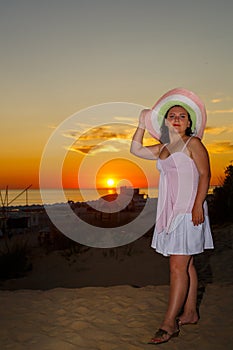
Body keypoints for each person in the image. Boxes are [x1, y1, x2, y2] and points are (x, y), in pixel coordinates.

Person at [130, 88, 214, 345]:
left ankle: (169, 324)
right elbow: (135, 149)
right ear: (167, 122)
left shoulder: (194, 144)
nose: (176, 118)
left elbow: (205, 175)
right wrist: (141, 123)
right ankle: (190, 313)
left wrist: (198, 205)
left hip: (188, 212)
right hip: (171, 213)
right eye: (172, 115)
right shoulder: (164, 147)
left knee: (177, 267)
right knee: (186, 265)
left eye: (182, 115)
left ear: (189, 123)